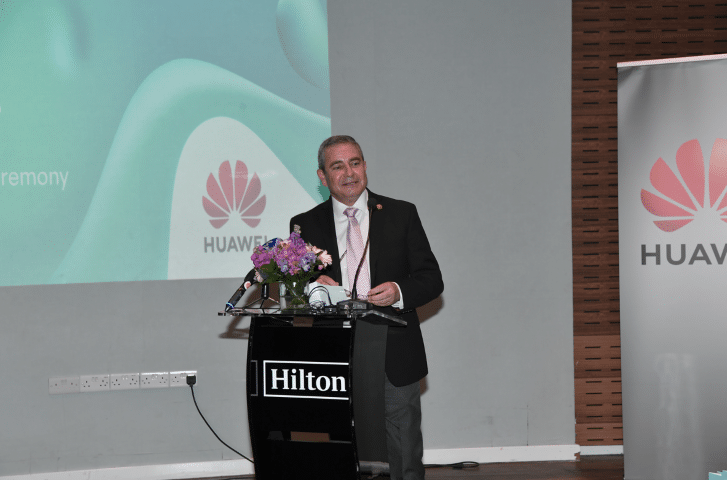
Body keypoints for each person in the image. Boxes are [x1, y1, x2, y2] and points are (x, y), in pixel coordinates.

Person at [290, 135, 443, 480]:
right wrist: (312, 286)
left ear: (365, 166)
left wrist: (398, 291)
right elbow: (295, 289)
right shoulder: (304, 224)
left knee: (402, 447)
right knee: (341, 445)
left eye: (355, 163)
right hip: (334, 350)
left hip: (394, 345)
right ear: (322, 176)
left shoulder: (401, 213)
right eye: (337, 166)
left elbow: (432, 279)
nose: (349, 173)